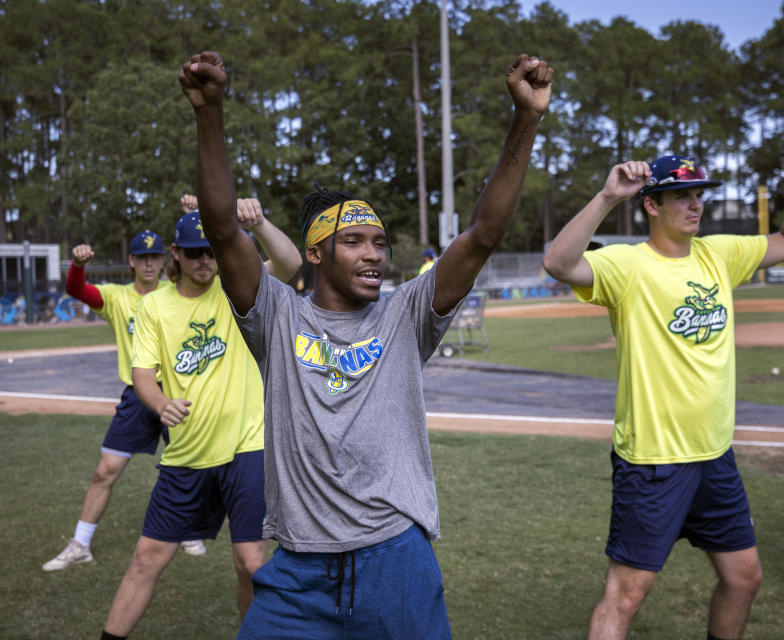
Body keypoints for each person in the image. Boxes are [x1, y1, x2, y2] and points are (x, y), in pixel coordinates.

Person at [178, 49, 552, 638]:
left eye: (379, 241)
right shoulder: (277, 317)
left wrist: (525, 121)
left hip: (395, 561)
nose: (375, 253)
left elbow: (483, 235)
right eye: (355, 240)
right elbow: (223, 228)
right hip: (297, 573)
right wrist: (210, 113)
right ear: (317, 253)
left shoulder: (406, 315)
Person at [542, 152, 784, 640]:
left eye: (699, 195)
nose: (696, 206)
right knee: (625, 595)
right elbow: (558, 262)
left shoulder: (718, 254)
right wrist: (608, 196)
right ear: (652, 205)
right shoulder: (627, 264)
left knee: (744, 578)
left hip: (715, 457)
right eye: (682, 197)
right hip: (654, 460)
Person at [100, 203, 301, 640]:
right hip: (186, 454)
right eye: (194, 252)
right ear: (176, 254)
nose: (204, 260)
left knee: (251, 564)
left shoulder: (238, 288)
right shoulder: (154, 307)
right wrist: (159, 404)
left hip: (248, 447)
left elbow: (291, 262)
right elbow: (141, 375)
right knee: (146, 559)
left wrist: (259, 224)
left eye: (211, 250)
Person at [43, 229, 208, 572]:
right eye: (142, 257)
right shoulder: (116, 298)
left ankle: (190, 531)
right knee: (106, 470)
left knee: (188, 467)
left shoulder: (176, 291)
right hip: (137, 396)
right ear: (131, 261)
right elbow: (76, 290)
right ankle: (80, 544)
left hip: (177, 393)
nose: (149, 263)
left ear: (166, 260)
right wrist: (76, 264)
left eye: (155, 257)